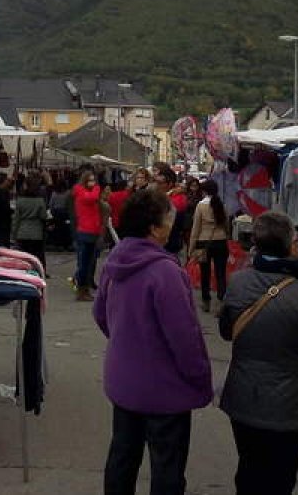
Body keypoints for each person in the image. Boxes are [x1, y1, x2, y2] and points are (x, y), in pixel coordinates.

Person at [95, 188, 212, 495]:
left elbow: (100, 313)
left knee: (122, 457)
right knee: (167, 468)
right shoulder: (164, 272)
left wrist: (126, 339)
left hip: (124, 382)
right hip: (164, 390)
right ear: (154, 226)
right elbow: (184, 338)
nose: (173, 220)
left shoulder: (115, 261)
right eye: (169, 215)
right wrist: (199, 377)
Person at [218, 211, 298, 494]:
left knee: (248, 467)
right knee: (282, 475)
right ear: (291, 246)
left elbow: (226, 332)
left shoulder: (238, 282)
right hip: (291, 405)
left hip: (244, 398)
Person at [188, 179, 230, 314]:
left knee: (204, 273)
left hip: (203, 243)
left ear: (204, 191)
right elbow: (226, 224)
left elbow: (196, 228)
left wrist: (191, 248)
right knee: (220, 273)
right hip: (221, 241)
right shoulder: (221, 204)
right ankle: (221, 302)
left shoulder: (201, 206)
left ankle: (206, 302)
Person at [72, 170, 103, 301]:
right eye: (90, 180)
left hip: (92, 230)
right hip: (86, 231)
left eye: (94, 180)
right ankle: (81, 289)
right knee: (84, 263)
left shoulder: (84, 192)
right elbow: (92, 198)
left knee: (88, 262)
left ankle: (84, 288)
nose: (93, 183)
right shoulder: (81, 191)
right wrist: (97, 188)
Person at [12, 175, 50, 277]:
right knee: (37, 255)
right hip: (36, 232)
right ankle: (39, 272)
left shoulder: (20, 201)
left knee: (24, 255)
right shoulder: (40, 201)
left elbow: (16, 219)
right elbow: (43, 216)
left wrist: (14, 234)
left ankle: (24, 272)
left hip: (22, 231)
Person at [154, 168, 188, 256]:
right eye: (156, 182)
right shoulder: (158, 195)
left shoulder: (178, 199)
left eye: (160, 183)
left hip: (170, 245)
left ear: (170, 184)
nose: (157, 185)